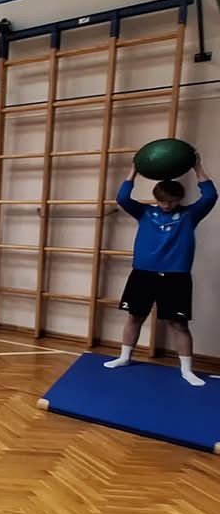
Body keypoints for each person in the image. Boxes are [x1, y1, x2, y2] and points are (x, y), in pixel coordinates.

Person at [104, 156, 216, 386]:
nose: (167, 206)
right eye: (163, 201)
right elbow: (123, 198)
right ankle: (124, 357)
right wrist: (133, 170)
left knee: (179, 324)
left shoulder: (189, 214)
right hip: (143, 273)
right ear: (157, 199)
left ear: (179, 199)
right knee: (135, 316)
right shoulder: (144, 212)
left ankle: (186, 370)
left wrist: (197, 166)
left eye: (172, 201)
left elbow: (211, 196)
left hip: (176, 276)